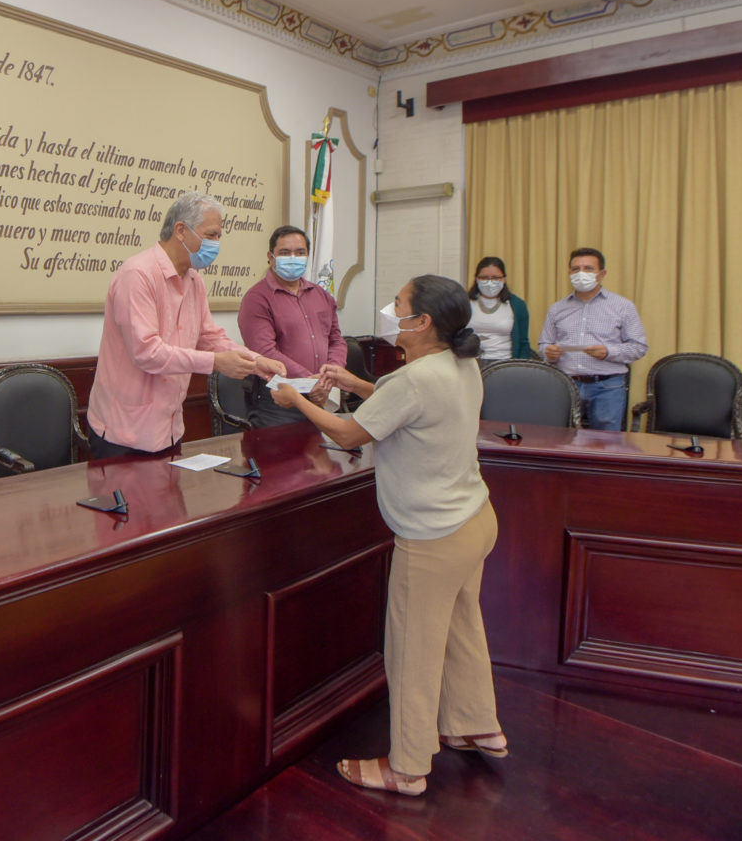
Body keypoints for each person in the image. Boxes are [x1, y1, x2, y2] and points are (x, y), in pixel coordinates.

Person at [272, 274, 504, 796]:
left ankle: (407, 767)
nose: (389, 310)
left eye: (397, 304)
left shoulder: (413, 379)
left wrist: (297, 401)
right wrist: (356, 385)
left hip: (432, 537)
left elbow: (349, 432)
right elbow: (404, 404)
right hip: (474, 520)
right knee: (463, 627)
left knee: (412, 652)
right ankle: (475, 725)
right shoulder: (459, 362)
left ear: (421, 322)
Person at [85, 192, 286, 457]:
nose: (216, 244)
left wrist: (255, 361)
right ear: (181, 230)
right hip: (124, 432)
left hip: (168, 428)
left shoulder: (194, 281)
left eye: (219, 236)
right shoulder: (137, 274)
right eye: (211, 235)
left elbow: (210, 337)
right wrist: (215, 362)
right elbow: (147, 352)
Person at [237, 225, 345, 426]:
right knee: (284, 447)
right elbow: (264, 351)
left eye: (300, 252)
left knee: (319, 446)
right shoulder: (257, 298)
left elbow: (336, 340)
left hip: (319, 393)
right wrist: (310, 381)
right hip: (276, 398)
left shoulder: (321, 295)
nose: (293, 258)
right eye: (285, 253)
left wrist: (330, 375)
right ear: (271, 257)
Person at [536, 247, 647, 431]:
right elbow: (543, 344)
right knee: (560, 438)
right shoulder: (557, 309)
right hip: (566, 384)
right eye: (575, 269)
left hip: (607, 386)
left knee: (605, 441)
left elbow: (639, 347)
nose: (581, 274)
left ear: (602, 274)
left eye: (588, 268)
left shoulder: (623, 306)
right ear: (569, 273)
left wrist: (608, 352)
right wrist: (548, 352)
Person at [466, 256, 532, 362]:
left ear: (504, 279)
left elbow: (523, 342)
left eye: (496, 278)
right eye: (484, 278)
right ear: (477, 279)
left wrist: (520, 367)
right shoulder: (464, 303)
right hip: (469, 362)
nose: (490, 282)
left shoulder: (517, 305)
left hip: (504, 363)